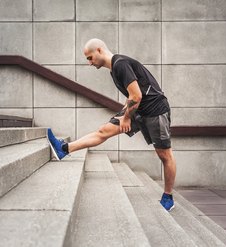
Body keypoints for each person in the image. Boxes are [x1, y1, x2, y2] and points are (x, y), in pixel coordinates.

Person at [47, 38, 176, 211]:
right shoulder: (115, 69)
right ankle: (64, 149)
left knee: (164, 155)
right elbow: (132, 95)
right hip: (138, 109)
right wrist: (124, 113)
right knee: (103, 131)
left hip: (155, 111)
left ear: (99, 50)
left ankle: (168, 197)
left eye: (90, 58)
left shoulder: (120, 64)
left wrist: (127, 117)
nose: (90, 63)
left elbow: (136, 96)